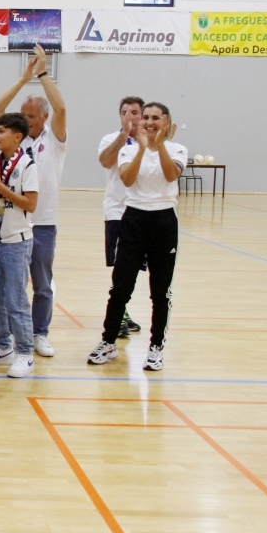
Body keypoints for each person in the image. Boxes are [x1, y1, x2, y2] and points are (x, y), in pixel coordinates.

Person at [88, 103, 187, 372]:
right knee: (120, 287)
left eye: (156, 118)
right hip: (133, 219)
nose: (149, 122)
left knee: (160, 291)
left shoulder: (178, 150)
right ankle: (108, 342)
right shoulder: (128, 150)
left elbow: (171, 174)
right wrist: (143, 148)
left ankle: (156, 348)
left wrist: (159, 145)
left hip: (164, 221)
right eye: (146, 117)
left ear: (166, 122)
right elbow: (128, 180)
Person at [0, 43, 67, 358]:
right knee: (11, 286)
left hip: (44, 221)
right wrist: (23, 79)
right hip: (14, 223)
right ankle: (7, 338)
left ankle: (40, 333)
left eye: (32, 115)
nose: (26, 120)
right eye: (23, 115)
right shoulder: (15, 140)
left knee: (42, 284)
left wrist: (44, 72)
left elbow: (61, 109)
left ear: (44, 117)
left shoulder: (54, 139)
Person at [0, 113, 40, 378]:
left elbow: (30, 204)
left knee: (15, 300)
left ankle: (25, 352)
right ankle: (3, 345)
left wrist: (2, 188)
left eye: (1, 131)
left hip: (17, 242)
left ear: (17, 136)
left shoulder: (27, 165)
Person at [98, 96, 146, 337]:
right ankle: (119, 314)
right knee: (121, 265)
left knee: (136, 266)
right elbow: (106, 162)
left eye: (135, 112)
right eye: (125, 112)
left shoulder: (151, 143)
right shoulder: (111, 139)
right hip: (117, 211)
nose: (130, 116)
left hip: (144, 212)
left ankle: (123, 308)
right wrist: (123, 135)